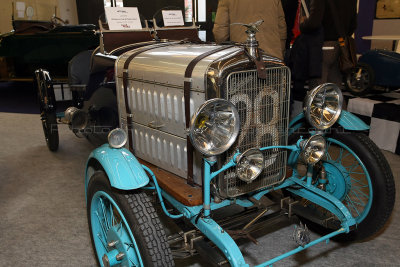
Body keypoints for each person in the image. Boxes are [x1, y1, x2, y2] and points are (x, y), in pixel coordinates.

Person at [213, 0, 287, 60]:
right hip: (272, 57)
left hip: (242, 58)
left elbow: (220, 33)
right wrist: (280, 52)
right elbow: (281, 27)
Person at [312, 0, 358, 88]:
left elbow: (314, 22)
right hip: (341, 46)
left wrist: (303, 25)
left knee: (318, 86)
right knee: (335, 83)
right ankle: (337, 102)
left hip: (325, 44)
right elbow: (353, 25)